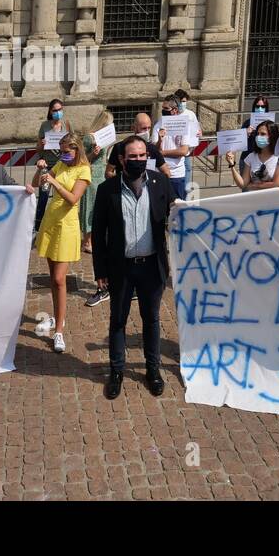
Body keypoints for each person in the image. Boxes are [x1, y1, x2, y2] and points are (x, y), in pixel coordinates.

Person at [92, 136, 175, 400]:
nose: (139, 160)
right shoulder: (107, 190)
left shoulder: (160, 182)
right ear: (122, 159)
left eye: (143, 156)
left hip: (152, 266)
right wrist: (100, 270)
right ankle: (116, 371)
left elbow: (179, 213)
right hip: (121, 267)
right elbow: (98, 233)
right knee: (118, 320)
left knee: (151, 319)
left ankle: (153, 370)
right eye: (133, 156)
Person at [28, 131, 90, 354]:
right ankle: (57, 316)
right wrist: (41, 169)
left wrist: (53, 181)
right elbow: (36, 184)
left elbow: (74, 198)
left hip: (67, 225)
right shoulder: (61, 166)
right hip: (52, 220)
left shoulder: (83, 169)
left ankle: (60, 331)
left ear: (76, 150)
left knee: (59, 278)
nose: (63, 155)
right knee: (54, 281)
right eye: (61, 152)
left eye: (66, 152)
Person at [225, 120, 279, 190]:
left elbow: (275, 184)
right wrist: (232, 165)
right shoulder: (251, 157)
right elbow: (243, 184)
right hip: (254, 199)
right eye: (257, 134)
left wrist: (253, 186)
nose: (258, 137)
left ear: (272, 136)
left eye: (263, 134)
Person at [35, 98, 69, 231]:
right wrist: (41, 144)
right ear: (50, 111)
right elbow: (38, 149)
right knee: (43, 196)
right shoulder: (45, 126)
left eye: (60, 109)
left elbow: (72, 143)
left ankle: (58, 225)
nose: (57, 112)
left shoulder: (66, 124)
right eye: (55, 110)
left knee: (62, 195)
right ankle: (38, 227)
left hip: (63, 165)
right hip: (47, 167)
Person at [153, 94, 196, 200]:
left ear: (175, 110)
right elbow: (155, 150)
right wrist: (159, 140)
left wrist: (163, 153)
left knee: (177, 207)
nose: (163, 110)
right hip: (160, 173)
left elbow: (183, 150)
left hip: (176, 175)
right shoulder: (158, 125)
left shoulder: (183, 124)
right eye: (162, 108)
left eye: (166, 108)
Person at [103, 112, 170, 180]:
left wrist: (153, 182)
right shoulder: (119, 147)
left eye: (149, 128)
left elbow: (167, 173)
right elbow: (108, 173)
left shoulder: (152, 148)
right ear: (134, 128)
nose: (147, 131)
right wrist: (122, 179)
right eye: (143, 128)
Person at [80, 110, 111, 254]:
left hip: (102, 175)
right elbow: (81, 158)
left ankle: (97, 238)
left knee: (100, 208)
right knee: (90, 207)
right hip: (92, 175)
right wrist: (93, 153)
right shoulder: (89, 138)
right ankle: (87, 240)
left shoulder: (105, 137)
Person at [173, 89, 200, 192]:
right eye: (180, 101)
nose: (182, 104)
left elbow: (197, 128)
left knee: (187, 170)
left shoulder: (191, 114)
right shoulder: (172, 114)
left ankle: (186, 193)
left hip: (187, 151)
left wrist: (199, 132)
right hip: (174, 151)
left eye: (184, 101)